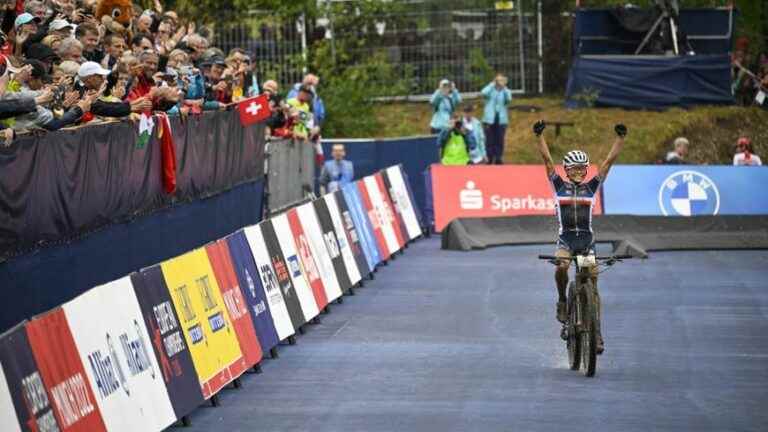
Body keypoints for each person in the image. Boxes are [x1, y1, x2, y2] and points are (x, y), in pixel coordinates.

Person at [533, 120, 627, 355]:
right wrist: (539, 136)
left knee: (592, 281)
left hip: (586, 245)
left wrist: (620, 139)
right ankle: (563, 301)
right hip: (566, 241)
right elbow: (546, 160)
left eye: (582, 168)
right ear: (567, 170)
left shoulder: (591, 188)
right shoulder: (558, 186)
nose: (578, 172)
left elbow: (608, 163)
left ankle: (597, 333)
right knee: (562, 267)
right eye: (573, 169)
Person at [481, 73, 512, 164]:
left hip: (501, 119)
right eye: (498, 80)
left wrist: (504, 87)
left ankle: (498, 157)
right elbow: (483, 92)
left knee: (500, 139)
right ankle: (489, 158)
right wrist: (492, 84)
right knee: (489, 139)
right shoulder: (490, 90)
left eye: (501, 80)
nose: (500, 82)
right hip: (489, 119)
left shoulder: (505, 91)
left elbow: (509, 99)